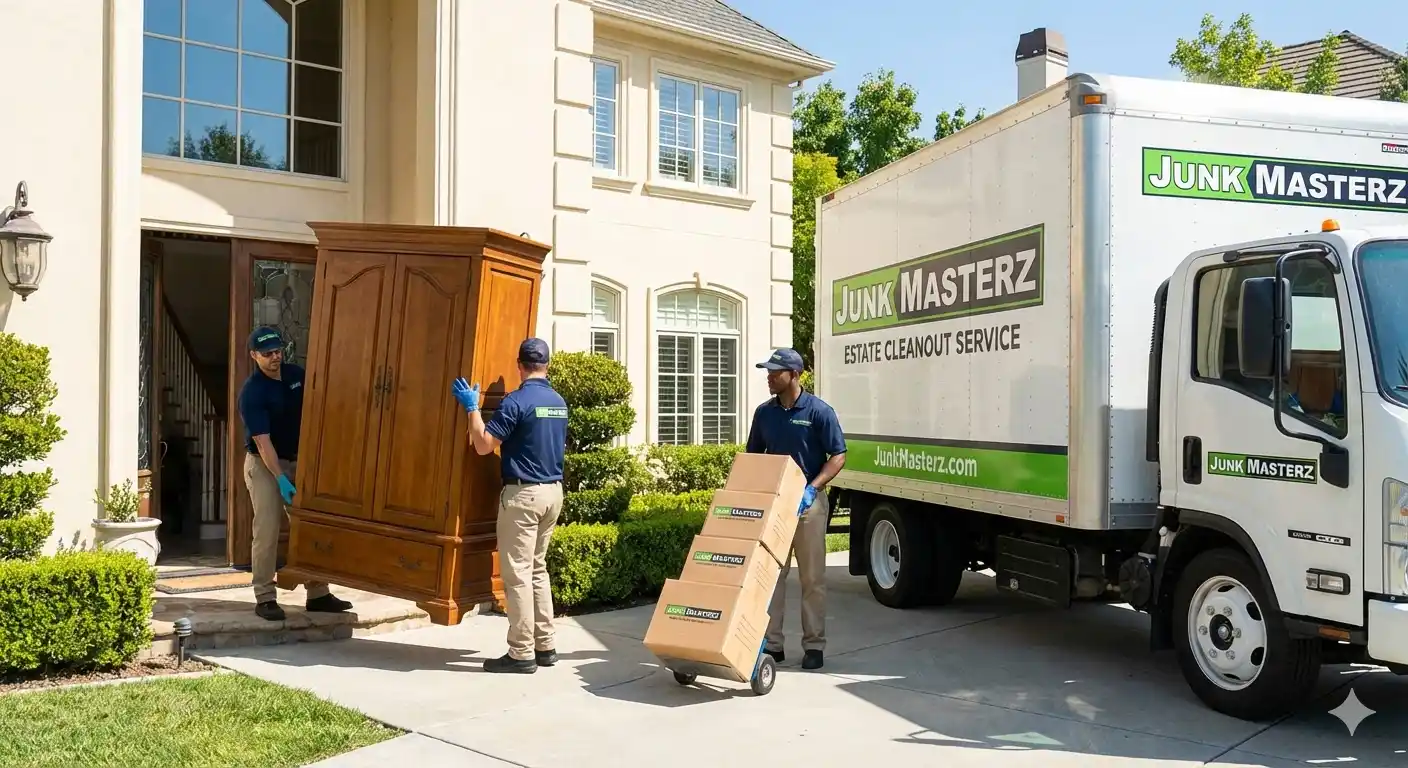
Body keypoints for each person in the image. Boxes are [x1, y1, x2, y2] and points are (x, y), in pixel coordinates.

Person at [451, 338, 568, 674]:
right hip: (553, 493)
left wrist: (472, 408)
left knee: (517, 576)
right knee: (537, 570)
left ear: (519, 365)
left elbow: (484, 446)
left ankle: (521, 653)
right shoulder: (559, 402)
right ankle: (546, 645)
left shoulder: (516, 402)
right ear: (547, 364)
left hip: (523, 497)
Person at [236, 326, 352, 621]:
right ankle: (264, 596)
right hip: (264, 464)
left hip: (299, 459)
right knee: (267, 530)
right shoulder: (253, 392)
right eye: (267, 353)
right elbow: (263, 443)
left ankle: (318, 593)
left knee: (309, 526)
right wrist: (281, 478)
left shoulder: (295, 375)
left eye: (278, 351)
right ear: (254, 356)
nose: (275, 357)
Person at [745, 348, 847, 670]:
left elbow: (838, 455)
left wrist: (812, 488)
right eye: (768, 371)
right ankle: (772, 644)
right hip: (774, 504)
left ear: (795, 375)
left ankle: (814, 645)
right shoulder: (764, 413)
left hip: (808, 505)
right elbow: (754, 458)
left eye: (775, 372)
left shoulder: (819, 412)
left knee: (812, 578)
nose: (769, 377)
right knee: (772, 576)